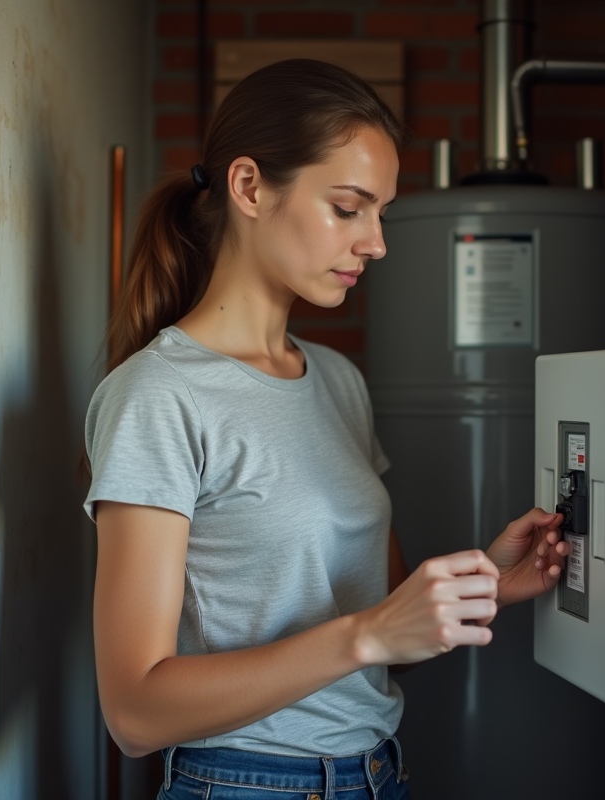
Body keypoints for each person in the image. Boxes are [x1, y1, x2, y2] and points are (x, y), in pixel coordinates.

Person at [83, 59, 569, 800]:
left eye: (381, 214)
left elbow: (380, 637)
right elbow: (135, 713)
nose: (376, 243)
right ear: (250, 187)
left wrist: (485, 589)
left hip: (376, 774)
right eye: (348, 209)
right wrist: (367, 634)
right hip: (245, 785)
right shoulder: (160, 394)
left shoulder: (338, 380)